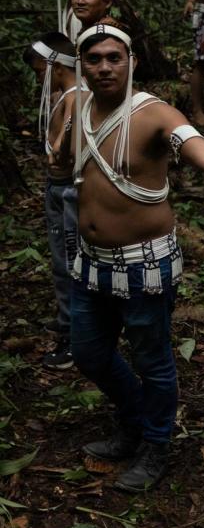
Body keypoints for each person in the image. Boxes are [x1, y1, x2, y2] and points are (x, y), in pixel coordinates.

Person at [54, 22, 204, 492]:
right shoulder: (72, 106)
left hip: (144, 262)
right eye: (94, 59)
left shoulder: (156, 115)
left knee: (152, 359)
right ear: (82, 65)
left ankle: (155, 444)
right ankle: (135, 420)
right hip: (89, 259)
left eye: (113, 58)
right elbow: (63, 163)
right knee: (88, 353)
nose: (104, 67)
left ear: (132, 62)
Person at [24, 32, 84, 369]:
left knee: (70, 265)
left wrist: (60, 144)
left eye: (39, 72)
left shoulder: (76, 95)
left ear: (55, 66)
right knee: (63, 262)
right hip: (59, 191)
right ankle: (68, 323)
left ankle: (75, 340)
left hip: (69, 192)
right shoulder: (64, 95)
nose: (39, 79)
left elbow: (71, 133)